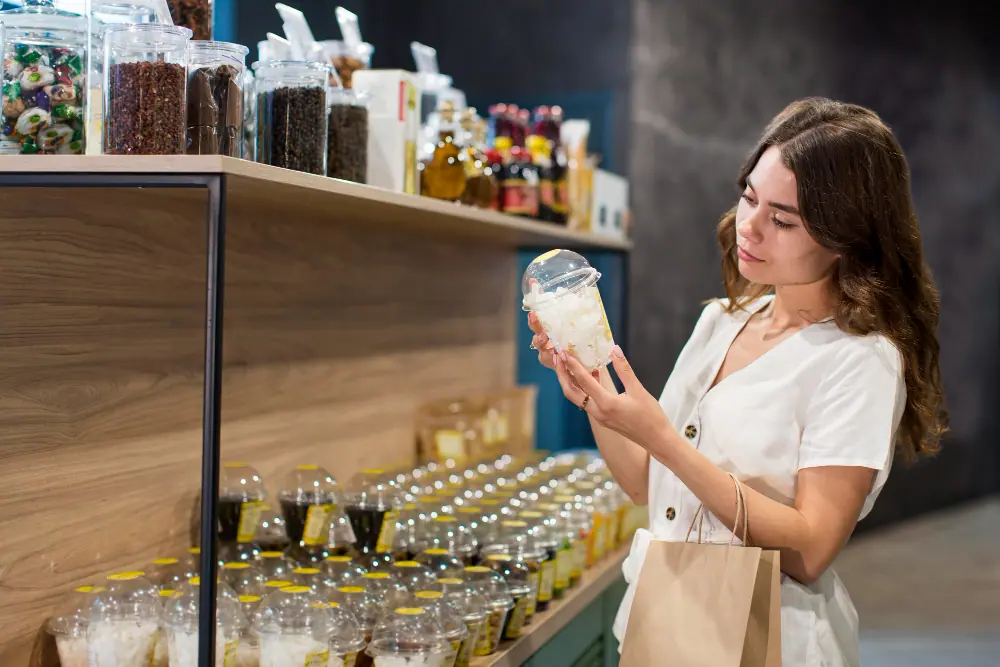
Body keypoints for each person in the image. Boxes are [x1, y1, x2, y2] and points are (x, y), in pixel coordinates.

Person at [527, 97, 947, 666]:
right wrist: (593, 389)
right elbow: (651, 491)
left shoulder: (859, 359)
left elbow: (812, 550)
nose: (749, 227)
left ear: (846, 236)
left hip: (769, 638)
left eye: (782, 219)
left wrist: (663, 439)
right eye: (749, 196)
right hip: (668, 618)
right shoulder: (721, 321)